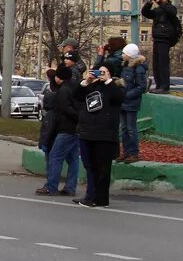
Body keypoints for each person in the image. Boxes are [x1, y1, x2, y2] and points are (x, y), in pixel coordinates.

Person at [72, 62, 125, 208]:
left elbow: (119, 98)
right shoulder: (92, 86)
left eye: (103, 72)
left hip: (105, 134)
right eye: (98, 72)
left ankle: (100, 199)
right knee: (90, 166)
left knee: (102, 168)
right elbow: (76, 96)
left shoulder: (115, 87)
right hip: (87, 132)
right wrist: (86, 81)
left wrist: (108, 81)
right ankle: (90, 195)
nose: (100, 75)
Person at [36, 64, 80, 196]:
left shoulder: (63, 91)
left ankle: (51, 186)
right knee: (73, 159)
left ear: (59, 77)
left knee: (55, 156)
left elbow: (64, 108)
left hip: (65, 128)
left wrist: (75, 117)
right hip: (76, 129)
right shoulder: (75, 87)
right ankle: (70, 187)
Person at [141, 0, 182, 93]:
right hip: (157, 38)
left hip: (165, 39)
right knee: (156, 64)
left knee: (163, 63)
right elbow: (145, 13)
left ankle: (164, 86)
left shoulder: (171, 8)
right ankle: (159, 85)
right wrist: (149, 4)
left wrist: (161, 3)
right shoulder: (158, 10)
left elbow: (172, 12)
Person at [118, 42, 149, 163]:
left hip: (131, 103)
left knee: (131, 129)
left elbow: (141, 87)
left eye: (124, 53)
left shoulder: (138, 68)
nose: (122, 55)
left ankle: (134, 153)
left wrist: (127, 95)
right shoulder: (125, 66)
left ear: (130, 55)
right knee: (124, 128)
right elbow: (125, 81)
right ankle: (126, 151)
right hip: (123, 102)